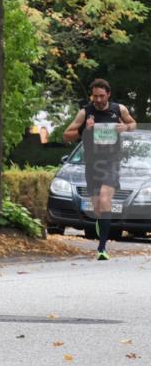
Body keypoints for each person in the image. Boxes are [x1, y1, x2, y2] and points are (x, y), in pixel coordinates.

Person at [63, 78, 137, 260]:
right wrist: (84, 130)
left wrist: (125, 127)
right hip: (92, 164)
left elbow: (133, 124)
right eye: (95, 96)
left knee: (105, 199)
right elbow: (66, 136)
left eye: (101, 96)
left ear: (108, 94)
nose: (98, 99)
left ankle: (102, 248)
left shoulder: (119, 109)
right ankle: (101, 221)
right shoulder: (85, 113)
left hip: (111, 162)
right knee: (97, 208)